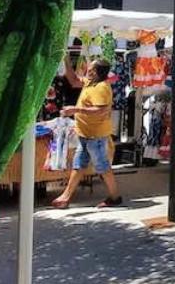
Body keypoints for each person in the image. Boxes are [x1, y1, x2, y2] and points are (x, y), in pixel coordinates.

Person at [51, 59, 122, 208]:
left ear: (95, 71)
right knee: (79, 165)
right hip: (86, 134)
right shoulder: (90, 81)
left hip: (95, 136)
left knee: (102, 167)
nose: (87, 67)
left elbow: (100, 110)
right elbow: (74, 80)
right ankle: (66, 197)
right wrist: (66, 59)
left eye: (90, 67)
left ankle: (115, 197)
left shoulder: (101, 87)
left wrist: (74, 110)